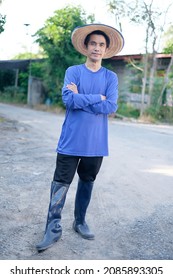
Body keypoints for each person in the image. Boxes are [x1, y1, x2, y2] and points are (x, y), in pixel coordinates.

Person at [36, 23, 124, 252]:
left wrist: (82, 98)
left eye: (101, 45)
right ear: (85, 47)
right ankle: (52, 228)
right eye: (93, 43)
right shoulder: (73, 72)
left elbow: (111, 106)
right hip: (70, 141)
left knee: (87, 182)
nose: (97, 48)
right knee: (60, 184)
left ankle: (80, 221)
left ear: (105, 50)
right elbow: (69, 101)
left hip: (96, 144)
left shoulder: (110, 77)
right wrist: (97, 97)